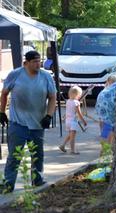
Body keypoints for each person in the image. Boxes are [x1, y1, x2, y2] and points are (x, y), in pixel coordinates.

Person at [0, 51, 57, 193]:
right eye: (35, 61)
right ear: (27, 62)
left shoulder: (45, 76)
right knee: (14, 155)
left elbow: (53, 97)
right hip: (17, 122)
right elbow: (4, 93)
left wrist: (49, 116)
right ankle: (8, 183)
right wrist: (1, 112)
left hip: (38, 123)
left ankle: (37, 179)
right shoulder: (16, 74)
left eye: (39, 61)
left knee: (37, 154)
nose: (38, 64)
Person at [59, 86, 87, 154]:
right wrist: (84, 121)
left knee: (70, 135)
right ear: (77, 95)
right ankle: (72, 150)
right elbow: (79, 113)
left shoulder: (68, 101)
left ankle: (63, 145)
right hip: (73, 121)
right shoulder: (76, 103)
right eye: (80, 94)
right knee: (73, 137)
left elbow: (67, 111)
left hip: (68, 121)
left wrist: (64, 118)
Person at [95, 75, 116, 153]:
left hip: (102, 102)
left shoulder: (109, 88)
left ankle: (105, 150)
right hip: (108, 105)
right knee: (111, 128)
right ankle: (105, 152)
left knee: (107, 128)